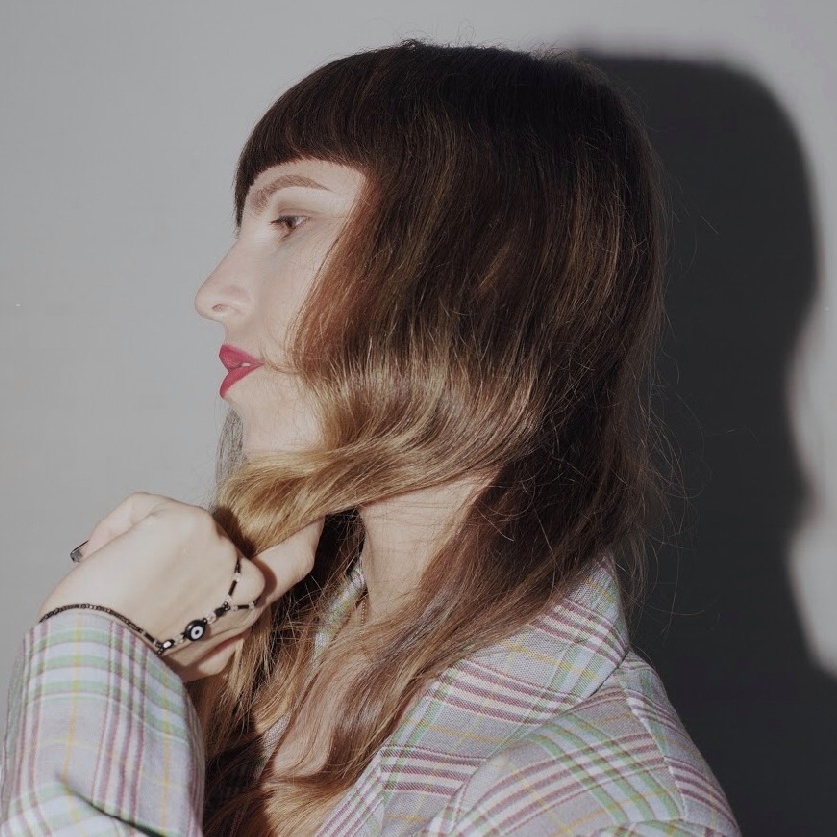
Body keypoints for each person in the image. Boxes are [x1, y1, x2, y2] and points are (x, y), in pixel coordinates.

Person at [0, 41, 740, 835]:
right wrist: (157, 675)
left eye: (288, 219)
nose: (212, 292)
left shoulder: (601, 811)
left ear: (478, 272)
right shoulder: (277, 655)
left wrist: (97, 641)